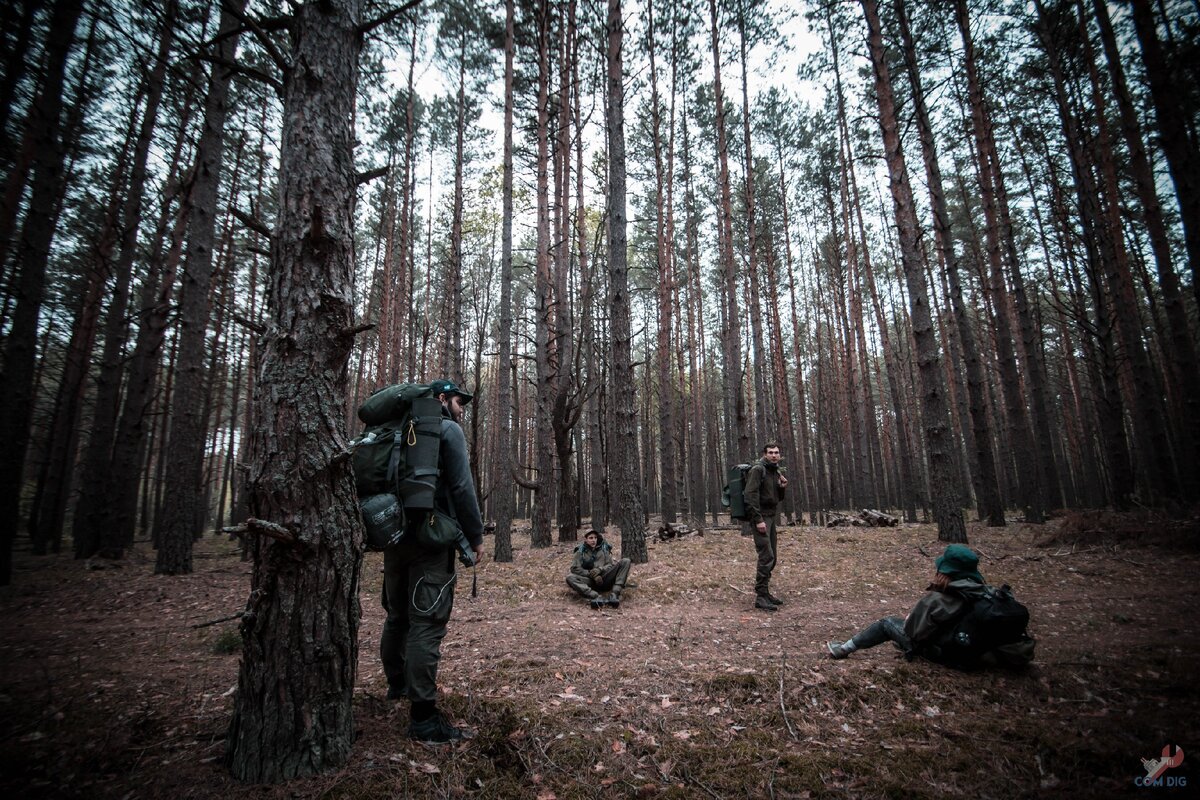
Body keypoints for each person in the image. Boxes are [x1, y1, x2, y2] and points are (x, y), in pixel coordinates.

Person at [380, 379, 485, 745]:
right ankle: (423, 719)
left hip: (394, 536)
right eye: (459, 400)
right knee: (426, 623)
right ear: (441, 399)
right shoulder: (447, 431)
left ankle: (398, 688)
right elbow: (461, 487)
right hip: (431, 538)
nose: (462, 407)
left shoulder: (397, 431)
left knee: (397, 617)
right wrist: (475, 537)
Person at [826, 544, 1034, 669]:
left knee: (886, 623)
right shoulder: (987, 593)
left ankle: (843, 649)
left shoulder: (939, 599)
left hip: (948, 656)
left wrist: (909, 621)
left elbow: (913, 631)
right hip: (979, 655)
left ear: (945, 570)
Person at [745, 443, 788, 612]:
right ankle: (760, 596)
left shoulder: (774, 470)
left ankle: (766, 592)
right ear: (764, 454)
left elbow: (776, 498)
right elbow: (750, 495)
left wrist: (782, 488)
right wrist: (758, 519)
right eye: (771, 453)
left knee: (773, 556)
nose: (774, 455)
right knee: (766, 555)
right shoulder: (758, 469)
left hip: (771, 516)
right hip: (761, 518)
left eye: (777, 452)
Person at [566, 529, 631, 609]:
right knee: (570, 577)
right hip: (590, 581)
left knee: (626, 561)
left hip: (605, 578)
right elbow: (575, 568)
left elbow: (609, 564)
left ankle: (614, 594)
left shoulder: (603, 549)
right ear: (586, 540)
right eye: (591, 538)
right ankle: (595, 596)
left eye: (595, 538)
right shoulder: (580, 552)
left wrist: (600, 569)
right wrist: (591, 574)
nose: (593, 540)